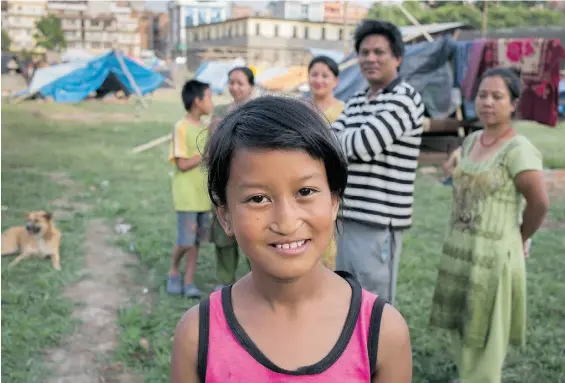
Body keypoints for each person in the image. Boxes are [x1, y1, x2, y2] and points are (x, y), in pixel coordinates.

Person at [171, 96, 412, 383]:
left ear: (334, 200)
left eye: (306, 192)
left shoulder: (382, 333)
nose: (286, 222)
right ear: (225, 216)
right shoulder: (198, 336)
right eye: (258, 198)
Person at [429, 68, 549, 383]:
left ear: (513, 104)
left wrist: (519, 237)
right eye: (482, 95)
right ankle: (467, 375)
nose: (487, 102)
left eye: (497, 96)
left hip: (495, 257)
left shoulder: (518, 149)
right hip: (462, 251)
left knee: (488, 333)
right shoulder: (470, 142)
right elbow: (460, 168)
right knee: (463, 322)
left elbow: (539, 204)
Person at [208, 66, 256, 291]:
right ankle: (224, 282)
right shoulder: (219, 111)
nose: (235, 87)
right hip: (223, 183)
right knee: (223, 237)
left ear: (251, 87)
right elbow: (210, 148)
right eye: (231, 82)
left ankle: (257, 281)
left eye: (240, 83)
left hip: (251, 185)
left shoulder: (258, 112)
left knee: (253, 235)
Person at [167, 80, 214, 298]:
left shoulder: (206, 128)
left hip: (202, 195)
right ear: (197, 101)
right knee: (186, 240)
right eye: (209, 97)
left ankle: (188, 282)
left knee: (196, 241)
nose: (211, 102)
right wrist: (204, 155)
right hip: (186, 195)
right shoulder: (181, 127)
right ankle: (173, 270)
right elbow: (182, 164)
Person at [306, 55, 344, 270]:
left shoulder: (344, 110)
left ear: (336, 81)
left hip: (332, 182)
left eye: (325, 75)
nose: (318, 80)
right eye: (314, 74)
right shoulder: (300, 110)